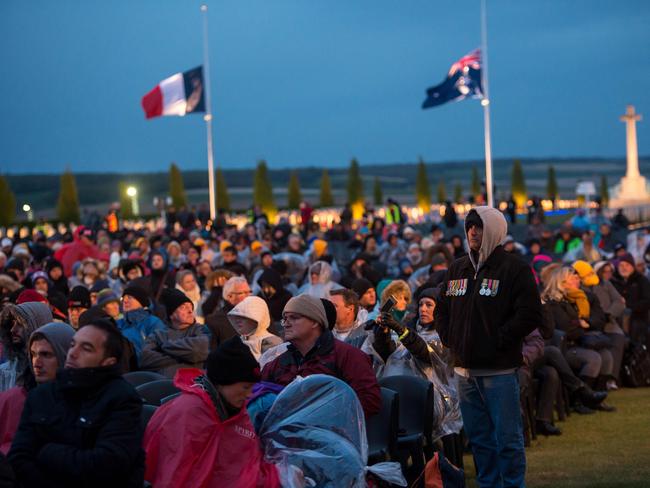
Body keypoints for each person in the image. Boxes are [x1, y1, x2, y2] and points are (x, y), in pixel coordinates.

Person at [435, 207, 543, 488]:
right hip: (463, 371)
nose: (472, 231)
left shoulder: (514, 269)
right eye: (470, 226)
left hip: (499, 370)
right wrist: (450, 338)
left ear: (494, 231)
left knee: (507, 439)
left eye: (479, 226)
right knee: (480, 440)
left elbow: (530, 314)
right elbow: (442, 308)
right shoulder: (457, 267)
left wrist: (498, 340)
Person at [8, 320, 145, 488]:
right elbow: (18, 458)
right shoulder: (41, 395)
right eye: (73, 345)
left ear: (108, 361)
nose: (72, 353)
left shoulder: (122, 398)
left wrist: (47, 451)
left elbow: (106, 465)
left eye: (86, 348)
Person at [143, 337, 280, 487]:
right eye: (245, 387)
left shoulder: (233, 409)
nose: (249, 394)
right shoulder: (189, 413)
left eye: (252, 388)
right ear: (223, 382)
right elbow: (175, 475)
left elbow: (247, 459)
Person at [261, 294, 381, 417]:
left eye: (294, 318)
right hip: (283, 432)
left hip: (329, 432)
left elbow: (369, 401)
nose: (286, 324)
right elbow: (259, 394)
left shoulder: (349, 356)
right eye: (285, 319)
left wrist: (321, 414)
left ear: (315, 322)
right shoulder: (280, 362)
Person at [0, 322, 75, 454]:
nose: (37, 363)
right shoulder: (12, 399)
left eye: (46, 355)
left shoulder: (87, 400)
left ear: (65, 355)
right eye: (33, 354)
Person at [140, 289, 210, 378]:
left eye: (190, 307)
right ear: (171, 315)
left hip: (195, 385)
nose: (190, 311)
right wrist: (184, 356)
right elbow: (145, 359)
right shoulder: (158, 334)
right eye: (183, 307)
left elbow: (197, 350)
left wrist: (166, 346)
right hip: (166, 386)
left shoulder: (201, 329)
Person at [0, 302, 53, 392]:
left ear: (37, 325)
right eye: (12, 324)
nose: (13, 329)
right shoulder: (3, 372)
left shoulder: (54, 371)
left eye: (20, 324)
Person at [115, 285, 166, 362]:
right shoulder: (117, 324)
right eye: (123, 298)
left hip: (146, 369)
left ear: (141, 301)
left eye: (129, 297)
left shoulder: (153, 322)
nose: (125, 301)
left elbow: (161, 349)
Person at [227, 296, 282, 361]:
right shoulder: (238, 340)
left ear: (257, 319)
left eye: (244, 317)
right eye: (237, 317)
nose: (238, 320)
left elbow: (271, 368)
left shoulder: (271, 341)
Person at [205, 276, 252, 350]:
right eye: (244, 293)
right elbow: (212, 353)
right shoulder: (214, 321)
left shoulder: (258, 313)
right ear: (230, 296)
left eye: (250, 292)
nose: (249, 296)